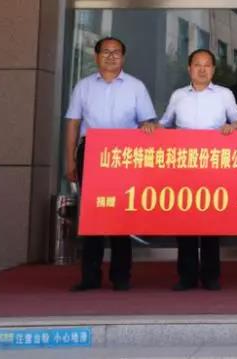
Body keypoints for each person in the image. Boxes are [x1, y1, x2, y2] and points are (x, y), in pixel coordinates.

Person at [64, 36, 157, 292]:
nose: (111, 56)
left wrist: (149, 127)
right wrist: (70, 159)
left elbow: (148, 122)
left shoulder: (136, 86)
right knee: (92, 216)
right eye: (106, 51)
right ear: (96, 56)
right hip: (91, 153)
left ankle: (121, 276)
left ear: (123, 58)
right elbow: (73, 123)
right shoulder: (83, 86)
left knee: (121, 215)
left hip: (124, 156)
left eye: (116, 52)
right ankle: (90, 277)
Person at [159, 48, 237, 291]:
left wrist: (233, 127)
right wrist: (152, 128)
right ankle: (186, 276)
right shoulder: (178, 95)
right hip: (184, 165)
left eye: (207, 65)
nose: (202, 69)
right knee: (185, 221)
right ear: (189, 69)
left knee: (211, 221)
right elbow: (165, 123)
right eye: (197, 65)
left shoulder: (224, 94)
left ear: (213, 70)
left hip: (213, 165)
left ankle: (211, 276)